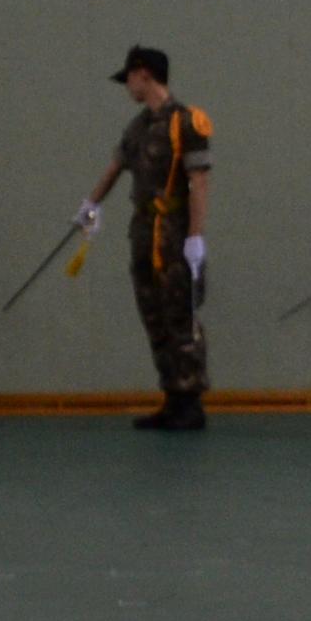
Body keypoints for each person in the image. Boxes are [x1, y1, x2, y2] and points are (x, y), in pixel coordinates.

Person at [76, 47, 211, 432]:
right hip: (143, 233)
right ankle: (171, 395)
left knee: (180, 315)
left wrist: (195, 237)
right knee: (153, 314)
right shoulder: (138, 127)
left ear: (145, 75)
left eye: (130, 79)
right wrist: (91, 204)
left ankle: (190, 400)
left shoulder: (186, 123)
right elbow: (116, 167)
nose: (128, 87)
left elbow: (199, 181)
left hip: (174, 233)